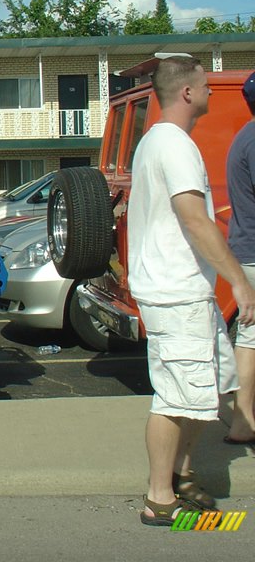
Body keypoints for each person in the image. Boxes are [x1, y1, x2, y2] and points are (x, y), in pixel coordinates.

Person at [128, 56, 255, 526]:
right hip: (175, 292)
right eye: (204, 85)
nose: (210, 92)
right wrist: (239, 281)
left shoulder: (156, 141)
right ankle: (159, 499)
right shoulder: (175, 145)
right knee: (175, 398)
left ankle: (180, 475)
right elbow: (195, 219)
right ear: (186, 93)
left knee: (210, 389)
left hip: (186, 292)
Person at [224, 71, 255, 446]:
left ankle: (243, 421)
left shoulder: (243, 138)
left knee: (249, 338)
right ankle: (244, 422)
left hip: (246, 250)